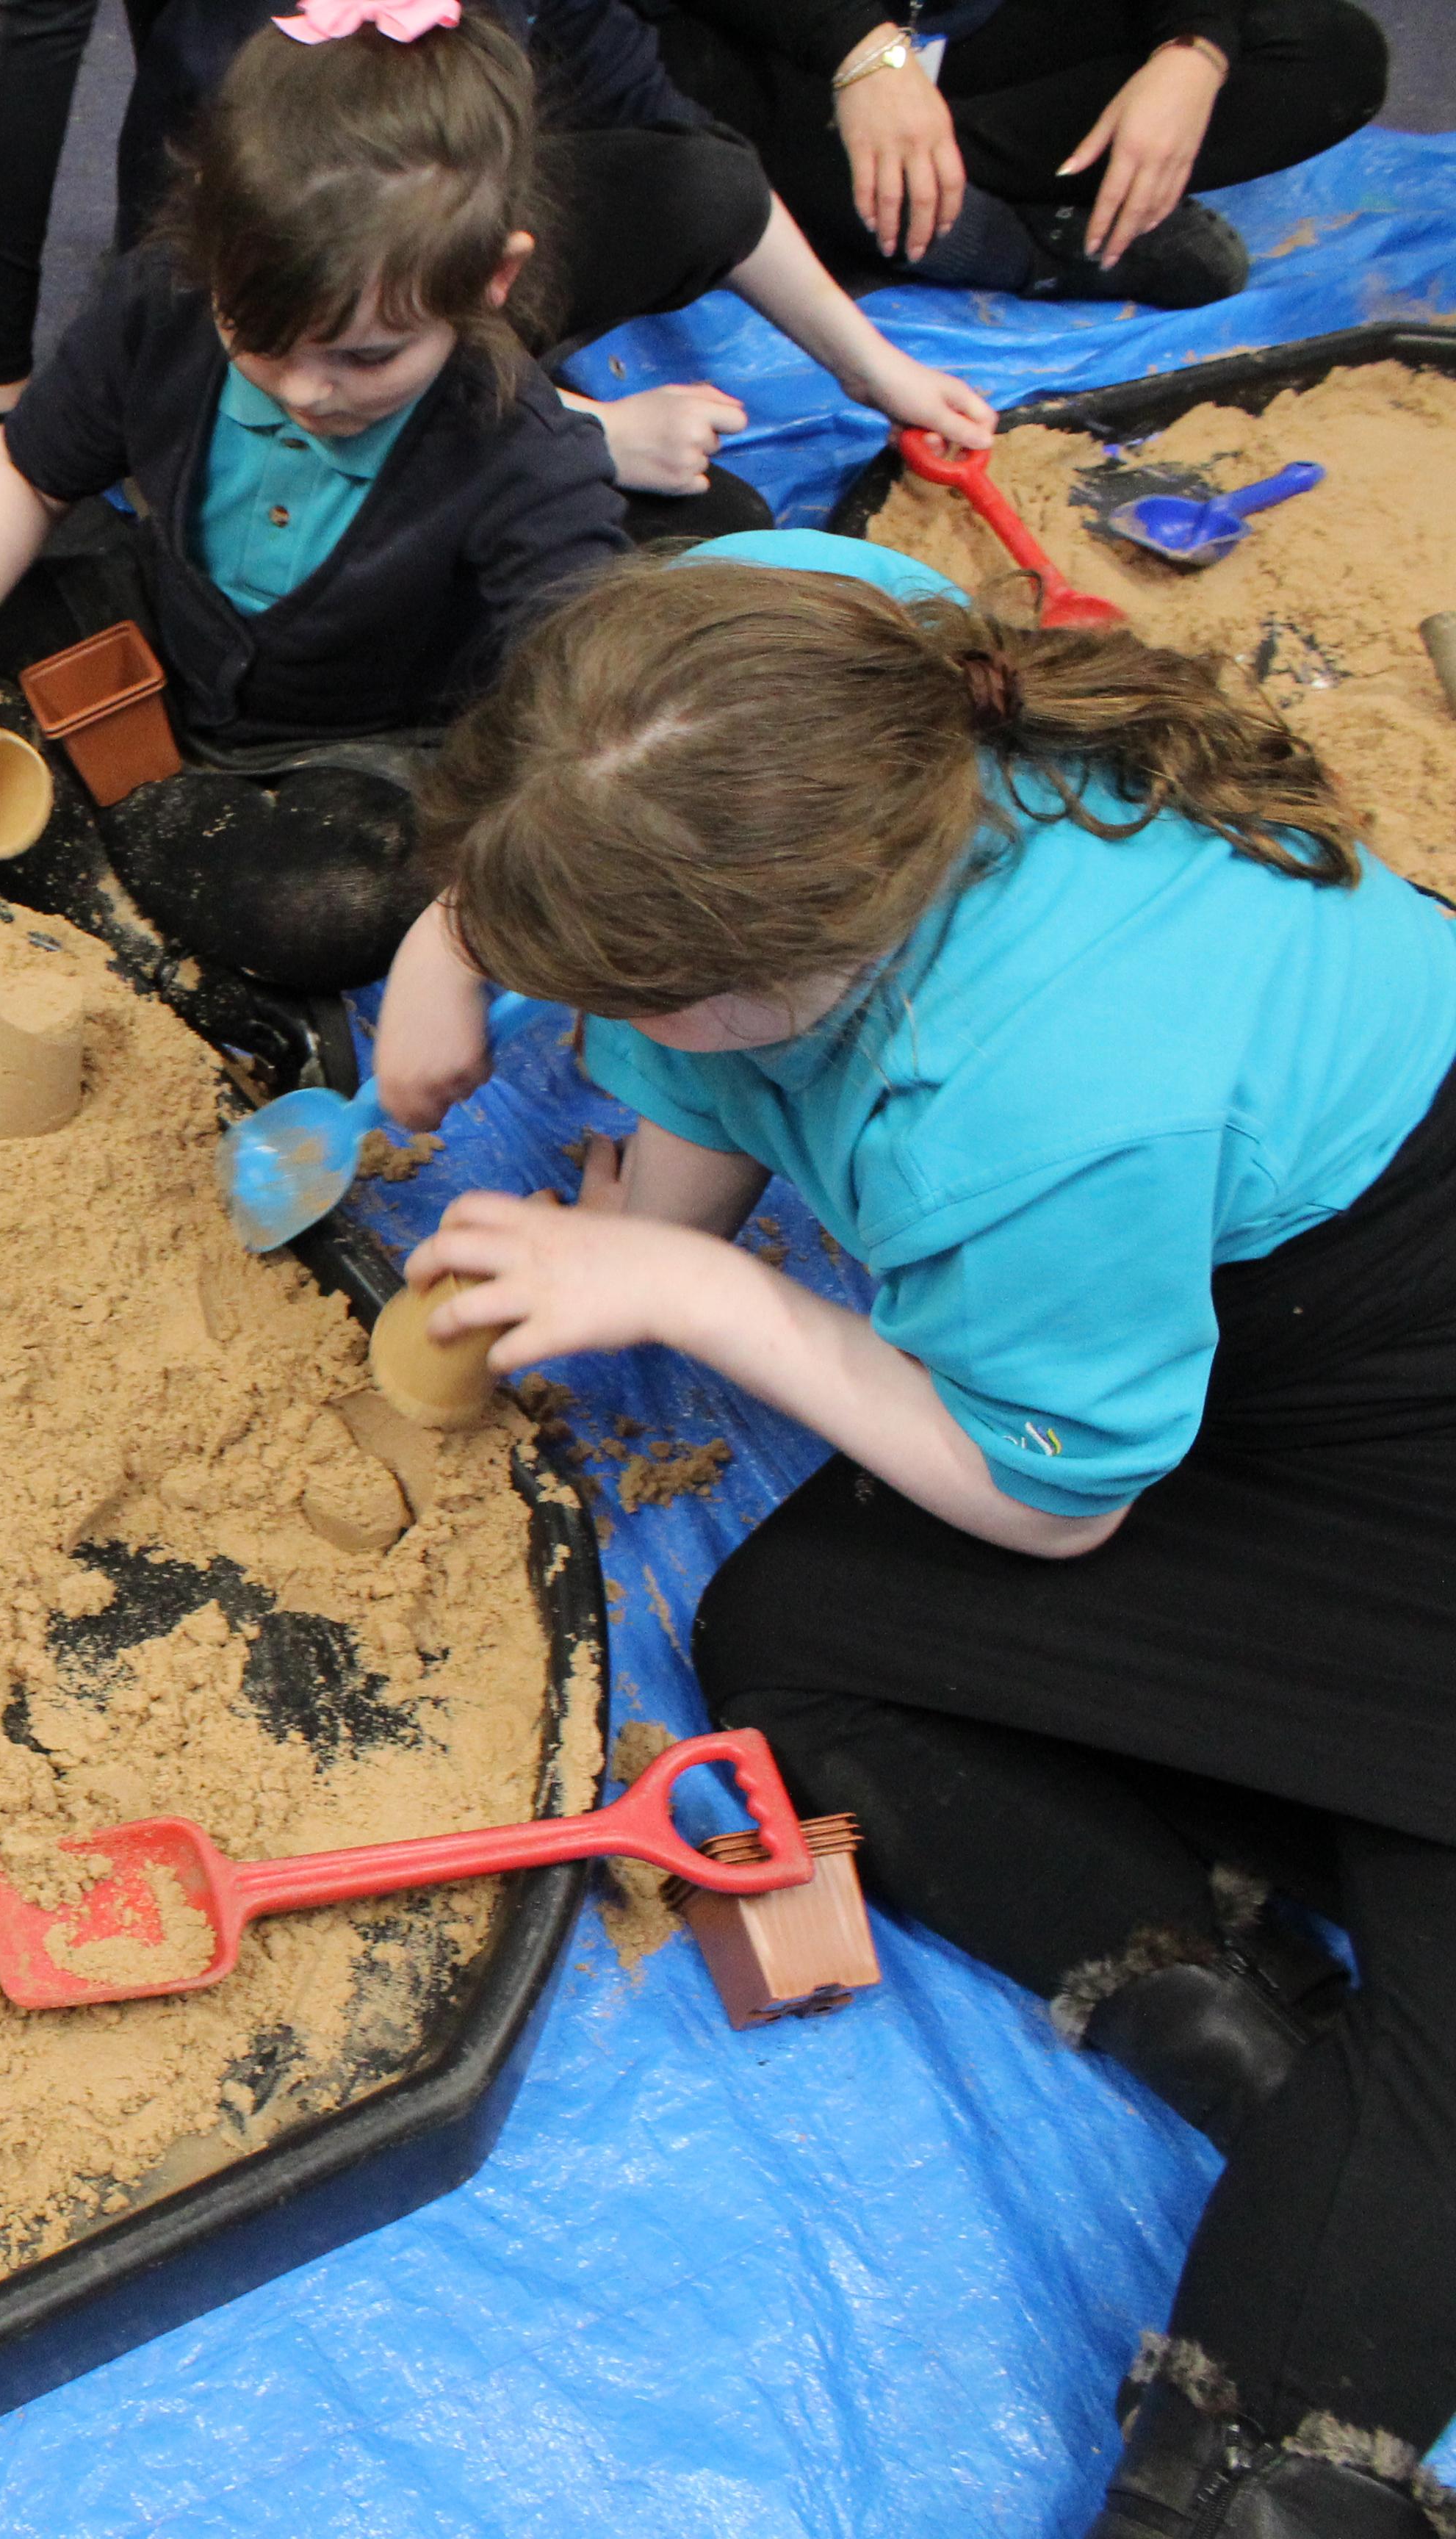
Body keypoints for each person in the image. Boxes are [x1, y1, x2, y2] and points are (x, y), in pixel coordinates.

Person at [403, 530, 1456, 2537]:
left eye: (622, 998)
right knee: (795, 1640)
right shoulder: (772, 654)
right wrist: (453, 948)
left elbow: (1051, 1501)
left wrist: (703, 1294)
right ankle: (1225, 2015)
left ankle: (1271, 2418)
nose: (591, 1031)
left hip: (1393, 1381)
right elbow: (692, 1051)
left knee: (1423, 2105)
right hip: (1216, 1313)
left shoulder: (1032, 1103)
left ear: (776, 967)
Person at [0, 7, 626, 1002]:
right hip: (158, 642)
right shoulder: (164, 300)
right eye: (261, 341)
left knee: (335, 905)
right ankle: (142, 928)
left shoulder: (520, 448)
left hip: (345, 750)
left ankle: (35, 829)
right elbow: (23, 472)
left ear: (492, 278)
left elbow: (586, 696)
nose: (309, 391)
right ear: (208, 241)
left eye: (368, 358)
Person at [0, 0, 999, 537]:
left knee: (699, 197)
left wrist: (872, 368)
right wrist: (579, 435)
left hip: (404, 307)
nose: (316, 386)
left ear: (497, 278)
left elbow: (698, 167)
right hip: (274, 321)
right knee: (697, 523)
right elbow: (283, 346)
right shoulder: (239, 143)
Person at [650, 0, 1389, 309]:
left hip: (967, 44)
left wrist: (1193, 50)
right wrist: (857, 50)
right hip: (782, 48)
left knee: (1328, 53)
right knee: (696, 149)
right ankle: (1027, 244)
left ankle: (924, 191)